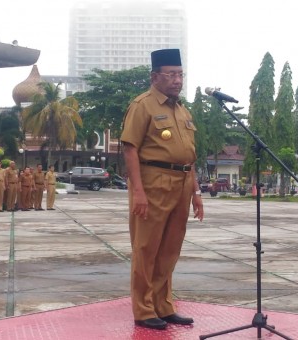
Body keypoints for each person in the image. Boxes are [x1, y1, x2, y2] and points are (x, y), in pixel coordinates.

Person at [121, 48, 203, 330]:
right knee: (146, 247)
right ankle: (143, 309)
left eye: (180, 75)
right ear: (155, 76)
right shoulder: (142, 105)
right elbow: (130, 148)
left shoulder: (182, 109)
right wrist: (139, 192)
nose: (177, 80)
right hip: (154, 181)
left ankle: (163, 304)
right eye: (171, 75)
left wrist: (196, 192)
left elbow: (189, 156)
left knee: (170, 248)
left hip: (181, 183)